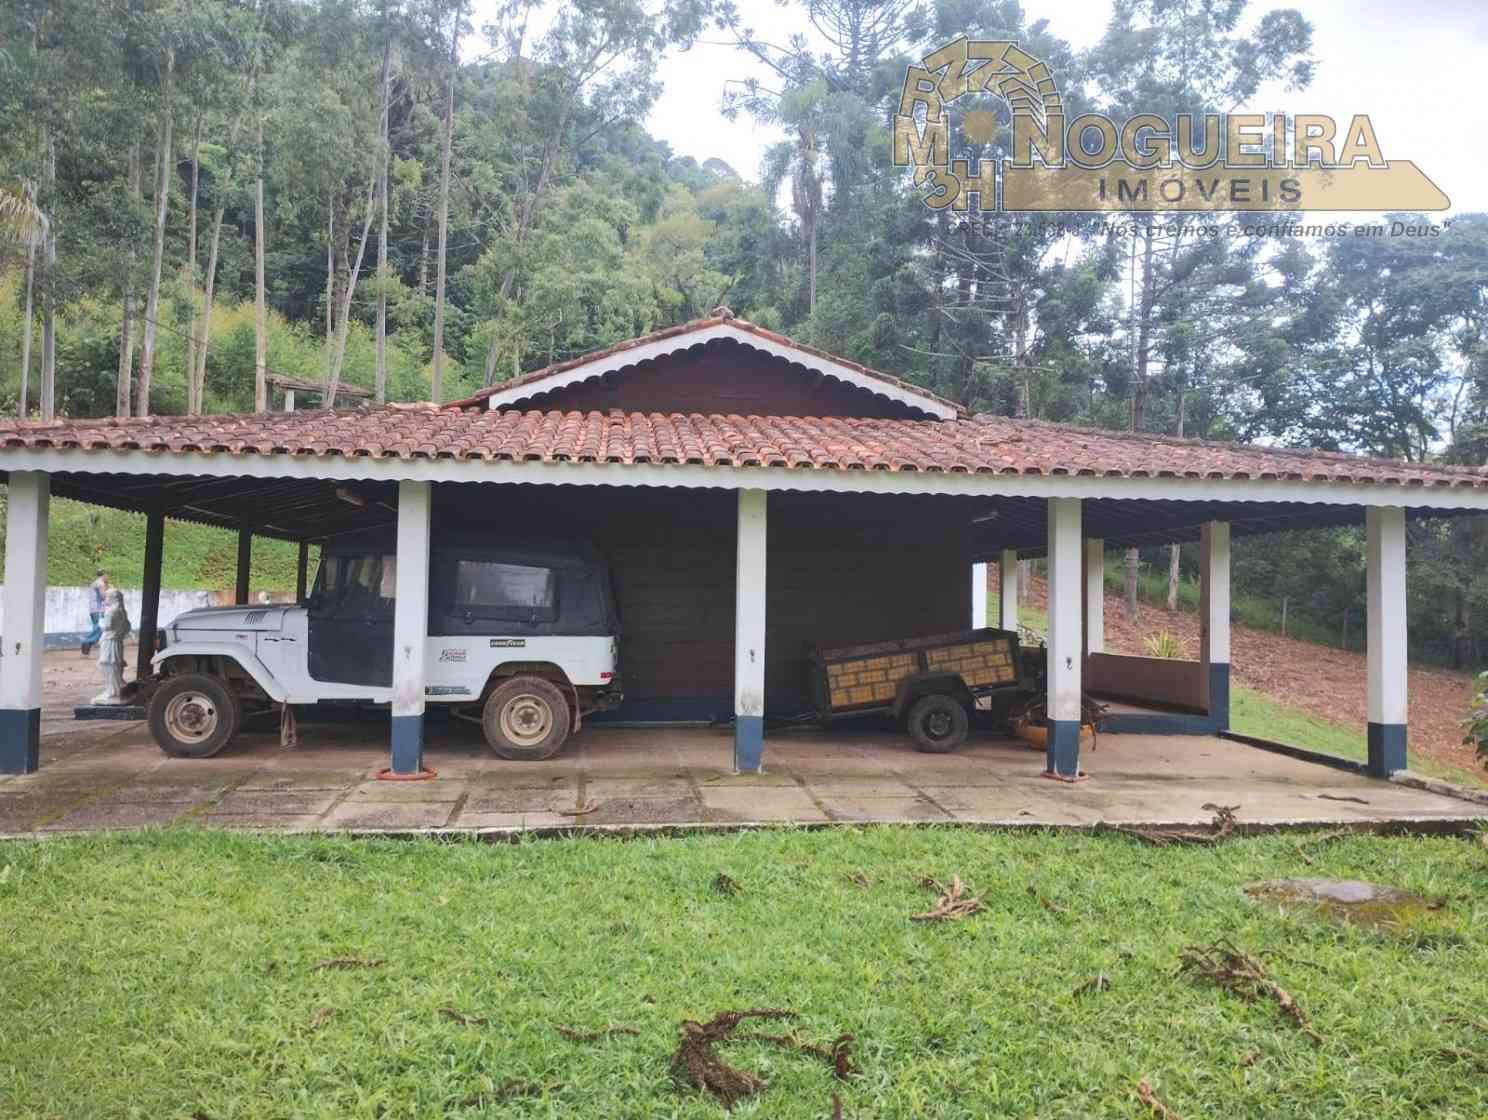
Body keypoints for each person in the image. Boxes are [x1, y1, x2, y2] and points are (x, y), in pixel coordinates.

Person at [92, 587, 132, 704]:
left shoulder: (111, 611)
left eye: (107, 597)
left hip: (110, 642)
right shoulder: (122, 611)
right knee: (113, 665)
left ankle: (113, 692)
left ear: (113, 598)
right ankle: (114, 689)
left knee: (108, 664)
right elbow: (127, 627)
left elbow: (106, 626)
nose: (105, 599)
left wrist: (100, 621)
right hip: (116, 641)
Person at [81, 568, 109, 657]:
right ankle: (87, 642)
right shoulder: (100, 583)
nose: (108, 577)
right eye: (107, 575)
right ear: (104, 575)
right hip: (99, 609)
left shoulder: (95, 583)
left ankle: (86, 649)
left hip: (93, 610)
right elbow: (103, 596)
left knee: (96, 629)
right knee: (100, 628)